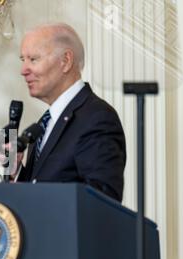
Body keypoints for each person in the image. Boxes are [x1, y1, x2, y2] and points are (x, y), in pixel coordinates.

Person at [11, 23, 126, 202]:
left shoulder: (97, 118)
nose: (23, 70)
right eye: (23, 60)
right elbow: (39, 185)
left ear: (65, 61)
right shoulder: (44, 124)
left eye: (33, 59)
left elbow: (102, 198)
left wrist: (35, 196)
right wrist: (16, 172)